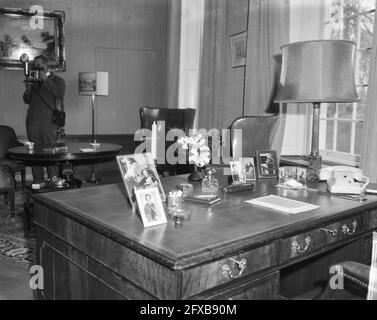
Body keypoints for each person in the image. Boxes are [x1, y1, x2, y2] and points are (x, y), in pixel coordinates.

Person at [23, 55, 66, 184]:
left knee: (50, 153)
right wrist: (28, 89)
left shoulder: (57, 80)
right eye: (35, 64)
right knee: (35, 154)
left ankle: (53, 181)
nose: (36, 66)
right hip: (32, 123)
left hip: (49, 123)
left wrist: (45, 79)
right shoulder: (34, 80)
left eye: (39, 64)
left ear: (47, 65)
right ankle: (38, 181)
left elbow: (60, 93)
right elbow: (27, 100)